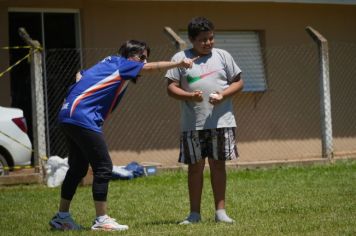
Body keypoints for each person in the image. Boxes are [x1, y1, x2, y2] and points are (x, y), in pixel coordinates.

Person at [49, 40, 196, 231]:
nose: (143, 61)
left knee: (77, 168)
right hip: (81, 116)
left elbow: (80, 73)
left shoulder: (109, 62)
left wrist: (82, 86)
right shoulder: (123, 65)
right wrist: (178, 64)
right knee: (103, 167)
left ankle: (62, 217)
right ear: (129, 55)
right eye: (141, 57)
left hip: (67, 113)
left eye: (146, 58)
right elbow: (151, 69)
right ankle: (102, 220)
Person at [165, 17, 244, 224]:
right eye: (203, 40)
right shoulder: (180, 58)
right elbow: (171, 87)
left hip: (222, 121)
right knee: (195, 168)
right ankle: (194, 214)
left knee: (218, 165)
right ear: (192, 39)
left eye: (211, 38)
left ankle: (221, 213)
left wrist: (223, 95)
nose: (208, 43)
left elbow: (239, 82)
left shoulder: (223, 56)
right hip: (193, 123)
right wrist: (190, 96)